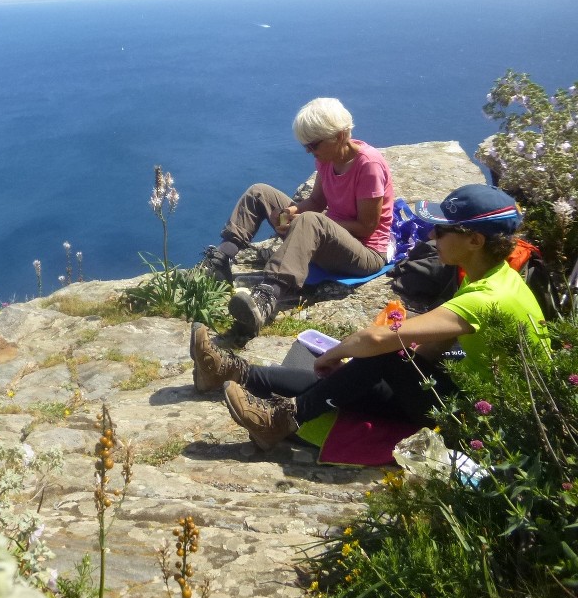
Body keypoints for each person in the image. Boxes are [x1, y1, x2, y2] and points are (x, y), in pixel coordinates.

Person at [191, 184, 546, 450]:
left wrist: (338, 354)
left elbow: (379, 339)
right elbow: (435, 349)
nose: (431, 235)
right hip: (468, 396)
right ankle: (233, 373)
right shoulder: (497, 278)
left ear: (475, 241)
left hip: (478, 420)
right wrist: (365, 370)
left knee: (383, 352)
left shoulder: (487, 298)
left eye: (442, 230)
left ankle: (282, 419)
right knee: (367, 372)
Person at [207, 97, 394, 338]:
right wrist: (293, 211)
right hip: (331, 237)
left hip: (365, 252)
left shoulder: (368, 165)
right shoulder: (327, 159)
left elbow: (367, 227)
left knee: (311, 221)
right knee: (259, 192)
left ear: (338, 136)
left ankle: (268, 297)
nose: (309, 151)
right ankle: (221, 259)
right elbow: (317, 202)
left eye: (314, 144)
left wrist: (308, 223)